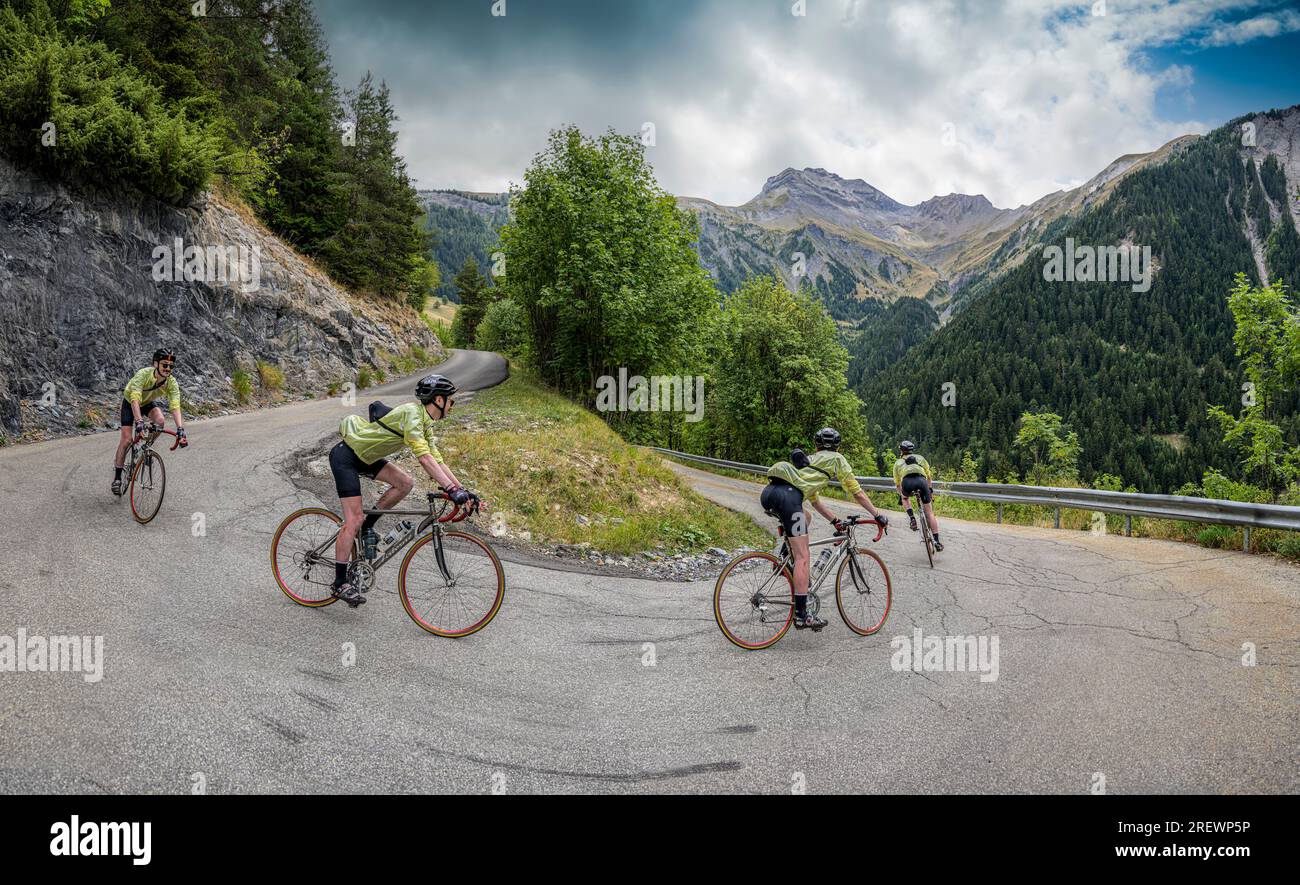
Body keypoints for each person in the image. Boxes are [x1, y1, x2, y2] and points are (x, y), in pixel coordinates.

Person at [327, 373, 480, 607]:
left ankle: (368, 526)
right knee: (353, 519)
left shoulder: (425, 422)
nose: (453, 405)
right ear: (439, 400)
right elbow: (424, 459)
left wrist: (462, 490)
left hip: (367, 457)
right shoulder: (412, 413)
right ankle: (339, 583)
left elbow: (437, 460)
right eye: (451, 400)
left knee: (405, 483)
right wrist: (451, 489)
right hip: (346, 457)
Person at [763, 427, 889, 631]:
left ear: (816, 445)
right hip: (788, 498)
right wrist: (876, 514)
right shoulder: (837, 460)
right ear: (838, 446)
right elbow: (856, 492)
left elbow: (814, 501)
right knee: (804, 556)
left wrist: (835, 521)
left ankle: (786, 557)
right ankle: (802, 616)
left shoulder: (811, 461)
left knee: (807, 517)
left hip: (770, 494)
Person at [113, 348, 188, 495]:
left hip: (147, 403)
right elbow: (135, 398)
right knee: (127, 440)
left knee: (160, 421)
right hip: (130, 403)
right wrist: (139, 421)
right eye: (164, 365)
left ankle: (145, 448)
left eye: (171, 366)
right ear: (156, 364)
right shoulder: (143, 374)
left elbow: (175, 406)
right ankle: (117, 478)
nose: (168, 368)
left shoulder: (171, 383)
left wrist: (180, 429)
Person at [893, 440, 942, 551]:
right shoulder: (920, 458)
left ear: (901, 451)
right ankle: (937, 541)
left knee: (905, 498)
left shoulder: (898, 463)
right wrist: (929, 489)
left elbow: (897, 483)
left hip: (907, 483)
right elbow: (929, 476)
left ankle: (912, 519)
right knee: (929, 512)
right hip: (921, 481)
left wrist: (901, 495)